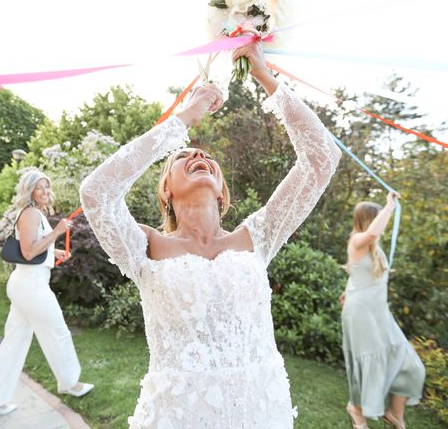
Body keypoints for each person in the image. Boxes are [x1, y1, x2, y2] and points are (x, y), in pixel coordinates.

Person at [79, 39, 341, 428]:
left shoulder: (260, 235)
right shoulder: (144, 247)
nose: (198, 156)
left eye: (206, 158)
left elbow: (322, 158)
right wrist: (187, 116)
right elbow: (96, 193)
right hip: (180, 416)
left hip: (261, 411)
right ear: (166, 189)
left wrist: (264, 76)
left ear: (222, 190)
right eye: (183, 156)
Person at [0, 170, 93, 417]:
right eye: (39, 187)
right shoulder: (30, 213)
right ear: (29, 190)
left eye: (47, 187)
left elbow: (33, 250)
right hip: (31, 286)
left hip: (26, 283)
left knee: (15, 341)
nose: (44, 191)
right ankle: (70, 383)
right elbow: (29, 253)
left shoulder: (35, 214)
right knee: (58, 331)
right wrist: (58, 232)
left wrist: (55, 252)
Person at [341, 193, 425, 429]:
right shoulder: (358, 240)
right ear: (370, 219)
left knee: (411, 364)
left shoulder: (374, 250)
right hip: (361, 315)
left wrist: (348, 291)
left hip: (378, 314)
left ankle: (395, 415)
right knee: (367, 363)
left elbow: (358, 274)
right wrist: (390, 206)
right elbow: (373, 233)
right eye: (379, 218)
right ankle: (356, 409)